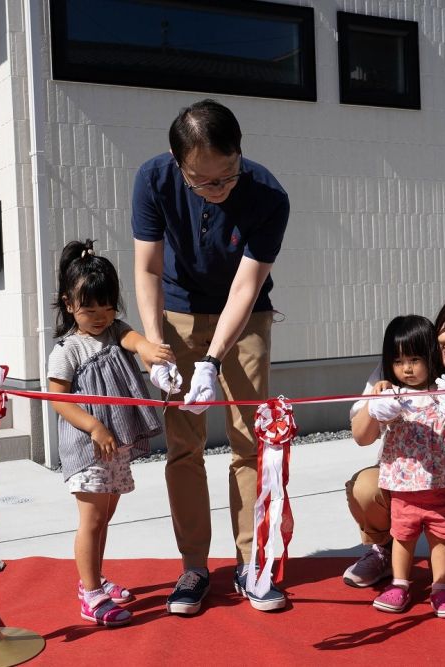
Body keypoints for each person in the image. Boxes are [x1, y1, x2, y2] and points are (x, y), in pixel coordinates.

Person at [131, 99, 290, 614]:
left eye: (228, 176)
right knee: (184, 445)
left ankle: (252, 562)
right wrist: (156, 347)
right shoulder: (153, 180)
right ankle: (194, 567)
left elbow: (246, 288)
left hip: (244, 321)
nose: (219, 190)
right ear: (180, 166)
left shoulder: (268, 195)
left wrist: (212, 359)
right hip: (176, 312)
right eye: (205, 182)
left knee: (250, 441)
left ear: (239, 154)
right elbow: (149, 269)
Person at [343, 285, 445, 596]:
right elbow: (361, 437)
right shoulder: (401, 363)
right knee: (364, 488)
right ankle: (383, 547)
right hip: (404, 472)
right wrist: (374, 407)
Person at [47, 239, 175, 627]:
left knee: (104, 518)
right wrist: (94, 425)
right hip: (88, 448)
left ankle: (96, 579)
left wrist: (149, 350)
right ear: (69, 304)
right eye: (89, 308)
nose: (100, 316)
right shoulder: (67, 350)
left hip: (114, 446)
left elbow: (132, 339)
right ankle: (89, 595)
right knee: (90, 520)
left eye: (107, 307)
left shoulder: (114, 330)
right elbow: (58, 400)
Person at [351, 315, 445, 618]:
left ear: (431, 357)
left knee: (442, 538)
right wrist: (375, 402)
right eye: (398, 361)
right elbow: (363, 434)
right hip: (403, 488)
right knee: (402, 537)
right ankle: (399, 584)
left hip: (439, 488)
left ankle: (442, 588)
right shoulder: (390, 394)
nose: (407, 368)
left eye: (414, 359)